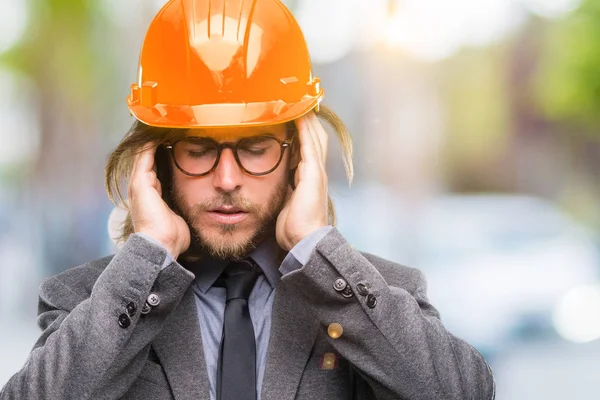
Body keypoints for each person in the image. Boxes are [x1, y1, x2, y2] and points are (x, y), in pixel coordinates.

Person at [1, 0, 495, 399]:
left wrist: (316, 247)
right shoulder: (88, 302)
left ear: (301, 156)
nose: (228, 179)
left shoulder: (377, 292)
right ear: (156, 161)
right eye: (199, 151)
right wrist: (148, 255)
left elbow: (465, 392)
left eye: (256, 149)